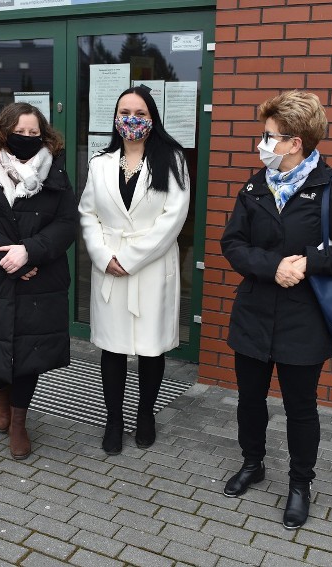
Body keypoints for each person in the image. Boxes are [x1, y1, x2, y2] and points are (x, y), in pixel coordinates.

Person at [220, 90, 332, 529]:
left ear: (294, 142)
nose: (262, 144)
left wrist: (306, 263)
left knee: (300, 407)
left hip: (304, 319)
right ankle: (253, 463)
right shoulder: (254, 187)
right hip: (254, 312)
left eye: (269, 137)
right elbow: (233, 244)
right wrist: (272, 267)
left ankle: (301, 484)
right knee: (250, 400)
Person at [0, 102, 78, 460]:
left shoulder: (54, 171)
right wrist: (8, 260)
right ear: (3, 131)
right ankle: (2, 398)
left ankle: (20, 421)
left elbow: (66, 224)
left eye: (33, 133)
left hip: (40, 276)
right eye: (19, 132)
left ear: (44, 136)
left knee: (29, 353)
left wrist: (30, 252)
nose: (26, 138)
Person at [79, 86, 190, 455]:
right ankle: (114, 419)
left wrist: (129, 259)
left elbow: (172, 220)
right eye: (125, 111)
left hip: (151, 268)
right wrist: (103, 255)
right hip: (108, 266)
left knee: (149, 349)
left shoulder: (172, 160)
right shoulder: (100, 162)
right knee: (112, 349)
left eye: (140, 113)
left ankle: (145, 414)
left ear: (152, 118)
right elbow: (88, 214)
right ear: (115, 118)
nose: (132, 119)